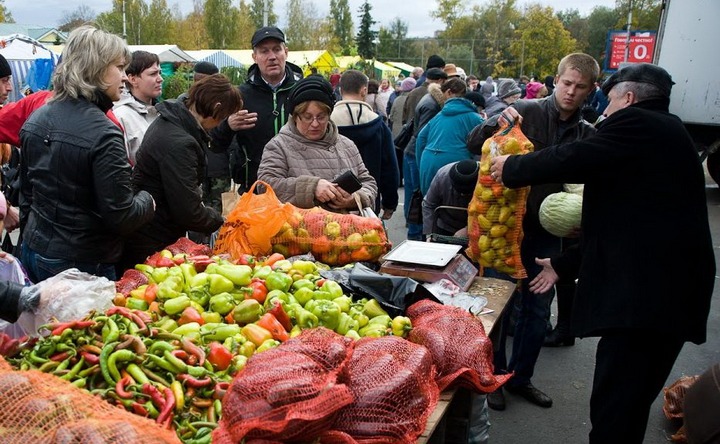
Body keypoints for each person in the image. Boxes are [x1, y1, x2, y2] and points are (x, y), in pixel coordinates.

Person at [489, 62, 714, 444]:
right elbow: (628, 223)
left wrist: (511, 166)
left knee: (616, 406)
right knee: (626, 402)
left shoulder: (640, 125)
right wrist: (564, 263)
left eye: (607, 100)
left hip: (646, 304)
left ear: (627, 97)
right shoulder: (664, 133)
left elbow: (573, 157)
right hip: (663, 300)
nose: (603, 110)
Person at [467, 52, 600, 411]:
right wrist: (492, 124)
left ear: (591, 90)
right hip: (503, 225)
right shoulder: (525, 110)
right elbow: (472, 144)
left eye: (580, 87)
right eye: (566, 83)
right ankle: (493, 377)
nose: (571, 92)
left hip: (544, 233)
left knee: (538, 310)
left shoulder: (588, 134)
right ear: (556, 80)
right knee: (498, 306)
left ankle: (521, 377)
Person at [19, 26, 155, 282]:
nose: (125, 77)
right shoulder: (104, 132)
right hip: (80, 261)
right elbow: (122, 215)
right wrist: (149, 199)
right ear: (97, 69)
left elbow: (27, 194)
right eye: (119, 67)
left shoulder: (38, 117)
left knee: (43, 323)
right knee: (76, 323)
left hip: (37, 249)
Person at [121, 74, 242, 268]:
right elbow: (188, 210)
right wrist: (223, 221)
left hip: (149, 228)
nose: (220, 124)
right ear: (216, 109)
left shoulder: (172, 120)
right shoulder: (180, 143)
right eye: (223, 118)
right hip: (153, 238)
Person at [257, 76, 377, 211]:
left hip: (348, 229)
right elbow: (264, 185)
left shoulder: (347, 145)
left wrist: (355, 199)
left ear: (329, 114)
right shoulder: (278, 146)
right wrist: (312, 187)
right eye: (307, 117)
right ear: (295, 116)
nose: (315, 124)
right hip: (298, 229)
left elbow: (368, 182)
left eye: (321, 117)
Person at [210, 26, 303, 193]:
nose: (272, 57)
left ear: (286, 52)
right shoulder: (240, 95)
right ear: (255, 57)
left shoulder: (303, 91)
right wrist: (228, 126)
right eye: (264, 51)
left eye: (277, 50)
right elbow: (215, 144)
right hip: (254, 189)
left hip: (298, 187)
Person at [330, 70, 398, 219]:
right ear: (364, 90)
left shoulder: (326, 123)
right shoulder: (379, 125)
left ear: (340, 90)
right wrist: (390, 203)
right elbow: (389, 167)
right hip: (368, 199)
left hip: (332, 201)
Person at [416, 77, 484, 195]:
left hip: (428, 162)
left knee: (429, 205)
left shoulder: (438, 116)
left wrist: (421, 165)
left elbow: (420, 140)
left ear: (448, 93)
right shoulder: (475, 118)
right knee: (454, 207)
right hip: (456, 165)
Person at [403, 67, 448, 240]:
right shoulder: (432, 103)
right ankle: (416, 237)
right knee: (419, 196)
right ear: (441, 82)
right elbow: (423, 134)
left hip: (411, 151)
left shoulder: (423, 96)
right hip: (416, 153)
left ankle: (414, 233)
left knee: (413, 196)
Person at [112, 50, 163, 164]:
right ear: (133, 79)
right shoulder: (121, 116)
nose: (160, 79)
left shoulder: (163, 113)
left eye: (160, 73)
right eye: (153, 74)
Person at [422, 159, 478, 237]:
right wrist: (429, 235)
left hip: (477, 226)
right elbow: (428, 205)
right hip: (446, 224)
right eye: (460, 192)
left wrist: (468, 228)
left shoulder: (487, 180)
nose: (462, 195)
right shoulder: (442, 177)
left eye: (466, 194)